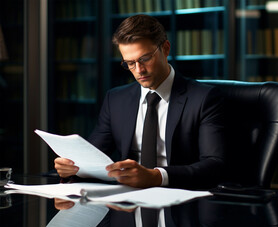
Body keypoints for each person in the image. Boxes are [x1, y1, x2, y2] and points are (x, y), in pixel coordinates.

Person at [54, 14, 225, 191]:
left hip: (182, 199)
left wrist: (156, 176)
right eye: (130, 63)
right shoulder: (116, 100)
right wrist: (72, 166)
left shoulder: (204, 98)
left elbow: (214, 164)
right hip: (128, 202)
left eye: (145, 59)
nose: (139, 70)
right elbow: (92, 156)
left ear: (166, 49)